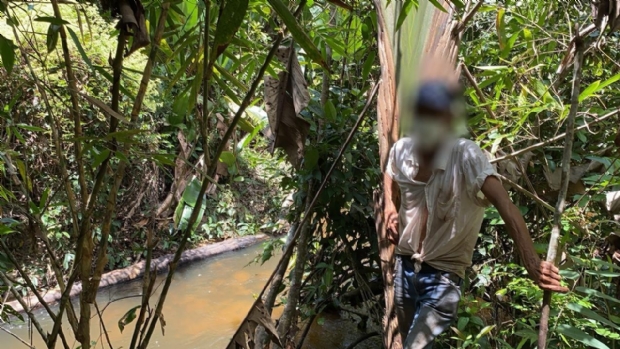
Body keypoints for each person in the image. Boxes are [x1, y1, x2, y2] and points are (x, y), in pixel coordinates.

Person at [384, 80, 569, 348]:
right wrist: (390, 206)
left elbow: (505, 204)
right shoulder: (402, 150)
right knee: (410, 341)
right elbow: (389, 174)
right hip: (404, 269)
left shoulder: (466, 156)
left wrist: (532, 262)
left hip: (443, 276)